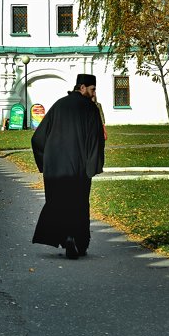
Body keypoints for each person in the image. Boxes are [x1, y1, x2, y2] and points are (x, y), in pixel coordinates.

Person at [31, 73, 105, 259]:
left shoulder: (59, 105)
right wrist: (92, 167)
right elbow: (96, 141)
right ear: (82, 87)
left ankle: (65, 238)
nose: (94, 94)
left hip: (55, 168)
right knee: (79, 204)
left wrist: (45, 163)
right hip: (79, 168)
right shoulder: (90, 109)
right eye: (92, 89)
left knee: (58, 203)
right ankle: (77, 240)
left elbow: (37, 138)